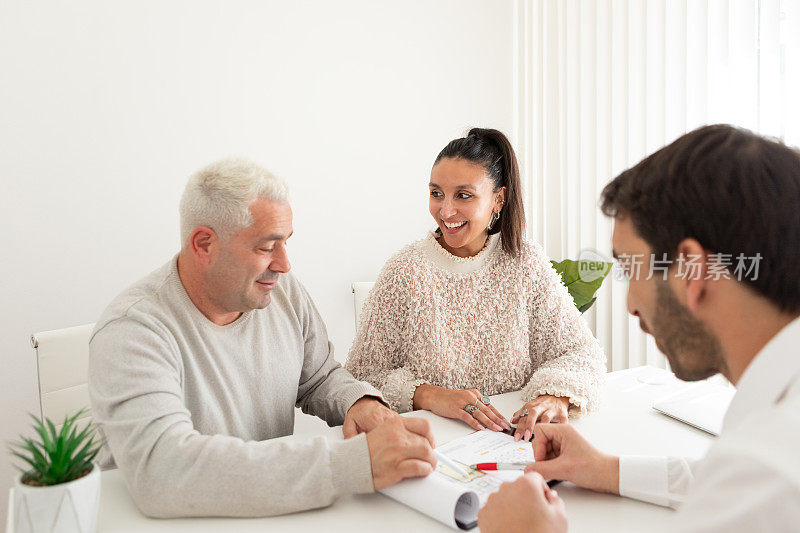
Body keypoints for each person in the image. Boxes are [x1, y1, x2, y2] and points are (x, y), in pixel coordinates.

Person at [478, 124, 800, 532]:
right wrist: (605, 469)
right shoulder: (766, 447)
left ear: (692, 271)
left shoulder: (776, 470)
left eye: (632, 268)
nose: (630, 304)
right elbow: (726, 482)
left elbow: (754, 482)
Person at [88, 158, 438, 518]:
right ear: (204, 244)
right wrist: (348, 465)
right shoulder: (132, 330)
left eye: (286, 242)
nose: (285, 264)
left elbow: (319, 377)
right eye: (267, 247)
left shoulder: (281, 292)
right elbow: (163, 470)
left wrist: (359, 404)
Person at [345, 128, 606, 442]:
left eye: (463, 195)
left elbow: (582, 354)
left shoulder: (525, 262)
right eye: (436, 193)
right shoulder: (405, 270)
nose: (445, 210)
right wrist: (431, 396)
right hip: (435, 443)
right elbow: (360, 378)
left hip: (515, 441)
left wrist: (555, 396)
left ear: (499, 199)